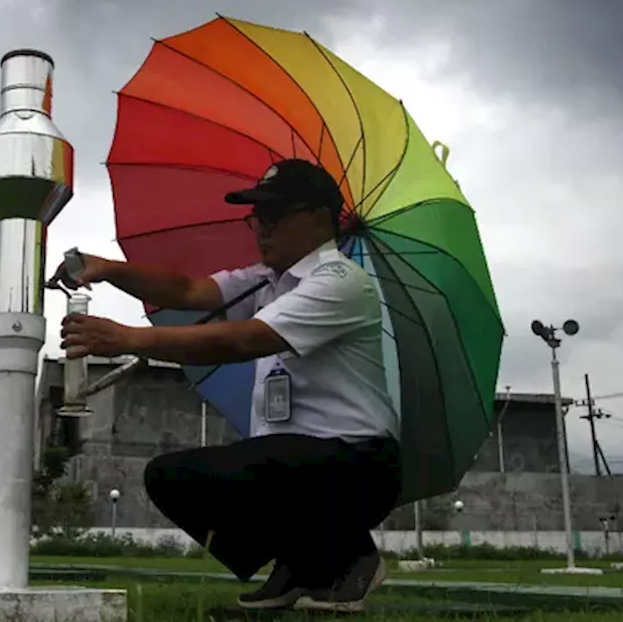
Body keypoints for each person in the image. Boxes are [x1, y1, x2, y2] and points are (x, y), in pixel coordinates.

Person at [51, 158, 402, 612]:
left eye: (275, 216)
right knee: (172, 478)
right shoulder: (266, 280)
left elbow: (245, 340)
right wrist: (110, 270)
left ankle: (353, 557)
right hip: (298, 461)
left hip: (356, 463)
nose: (261, 229)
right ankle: (306, 562)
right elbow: (189, 291)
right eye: (258, 217)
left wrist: (127, 338)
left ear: (318, 219)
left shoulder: (339, 282)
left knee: (257, 467)